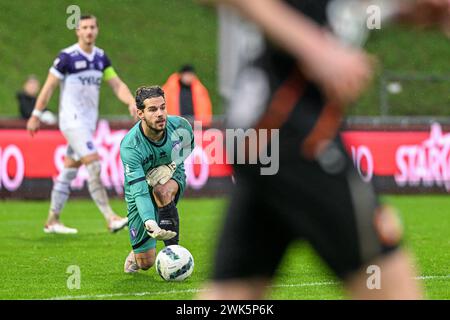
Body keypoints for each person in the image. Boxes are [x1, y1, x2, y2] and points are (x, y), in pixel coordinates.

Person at [199, 0, 450, 300]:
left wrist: (404, 10)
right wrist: (315, 48)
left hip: (267, 134)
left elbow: (339, 12)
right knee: (393, 287)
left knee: (235, 292)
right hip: (290, 129)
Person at [26, 15, 137, 234]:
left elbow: (116, 85)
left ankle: (52, 220)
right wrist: (36, 114)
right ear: (77, 31)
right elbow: (48, 87)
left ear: (97, 30)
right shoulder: (67, 57)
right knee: (93, 164)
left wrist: (131, 101)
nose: (89, 31)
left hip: (87, 124)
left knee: (68, 171)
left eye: (92, 27)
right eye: (84, 27)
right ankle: (110, 217)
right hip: (72, 121)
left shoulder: (101, 58)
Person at [120, 85, 194, 273]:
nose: (160, 113)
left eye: (163, 107)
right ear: (140, 113)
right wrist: (149, 221)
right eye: (152, 109)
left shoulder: (179, 125)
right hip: (139, 188)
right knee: (145, 263)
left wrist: (172, 166)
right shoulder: (130, 146)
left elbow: (189, 144)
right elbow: (138, 191)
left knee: (162, 190)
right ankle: (138, 252)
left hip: (173, 173)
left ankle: (174, 254)